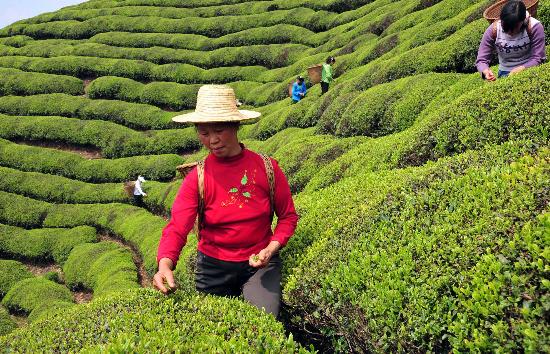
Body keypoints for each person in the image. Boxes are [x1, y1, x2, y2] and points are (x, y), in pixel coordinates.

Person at [153, 85, 298, 317]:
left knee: (262, 323)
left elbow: (288, 217)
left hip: (260, 265)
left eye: (219, 130)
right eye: (203, 133)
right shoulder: (196, 178)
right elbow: (177, 227)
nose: (212, 140)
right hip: (213, 268)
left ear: (236, 125)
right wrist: (164, 265)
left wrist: (271, 248)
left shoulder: (267, 167)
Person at [476, 0, 546, 80]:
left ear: (523, 21)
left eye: (514, 28)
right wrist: (485, 71)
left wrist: (523, 68)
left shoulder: (534, 27)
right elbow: (481, 60)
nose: (510, 33)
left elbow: (538, 57)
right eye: (506, 28)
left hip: (531, 68)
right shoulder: (494, 29)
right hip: (504, 72)